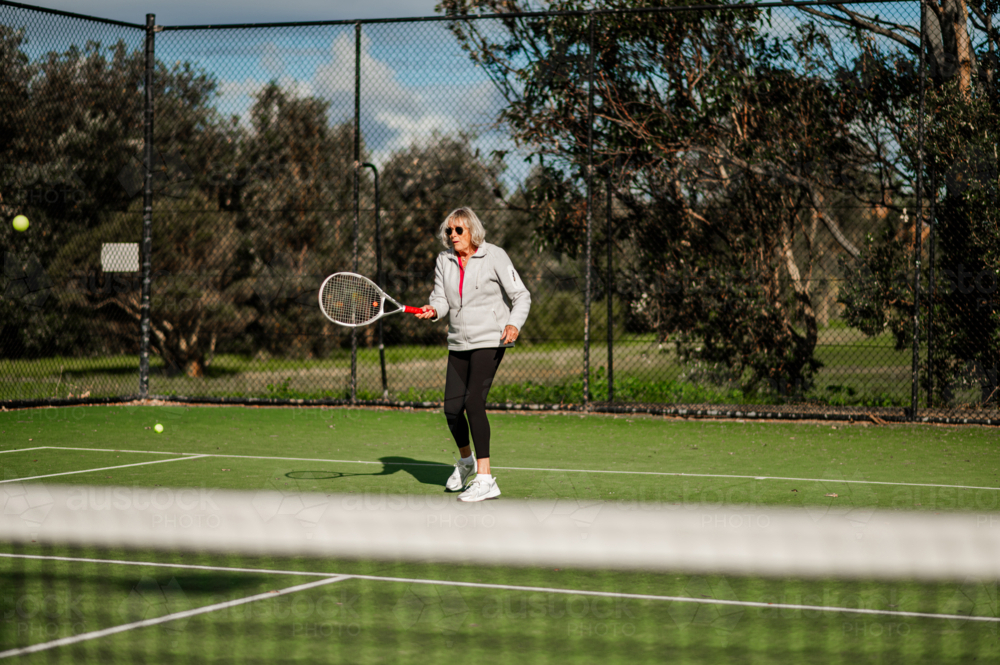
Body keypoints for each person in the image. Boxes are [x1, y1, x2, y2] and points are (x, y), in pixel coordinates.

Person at [415, 207, 531, 502]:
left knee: (473, 403)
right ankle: (466, 462)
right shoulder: (444, 260)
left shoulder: (494, 255)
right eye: (448, 231)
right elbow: (441, 299)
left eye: (458, 230)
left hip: (491, 339)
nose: (452, 235)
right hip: (458, 341)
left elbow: (521, 296)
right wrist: (433, 310)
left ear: (472, 231)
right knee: (452, 409)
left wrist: (513, 324)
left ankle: (485, 478)